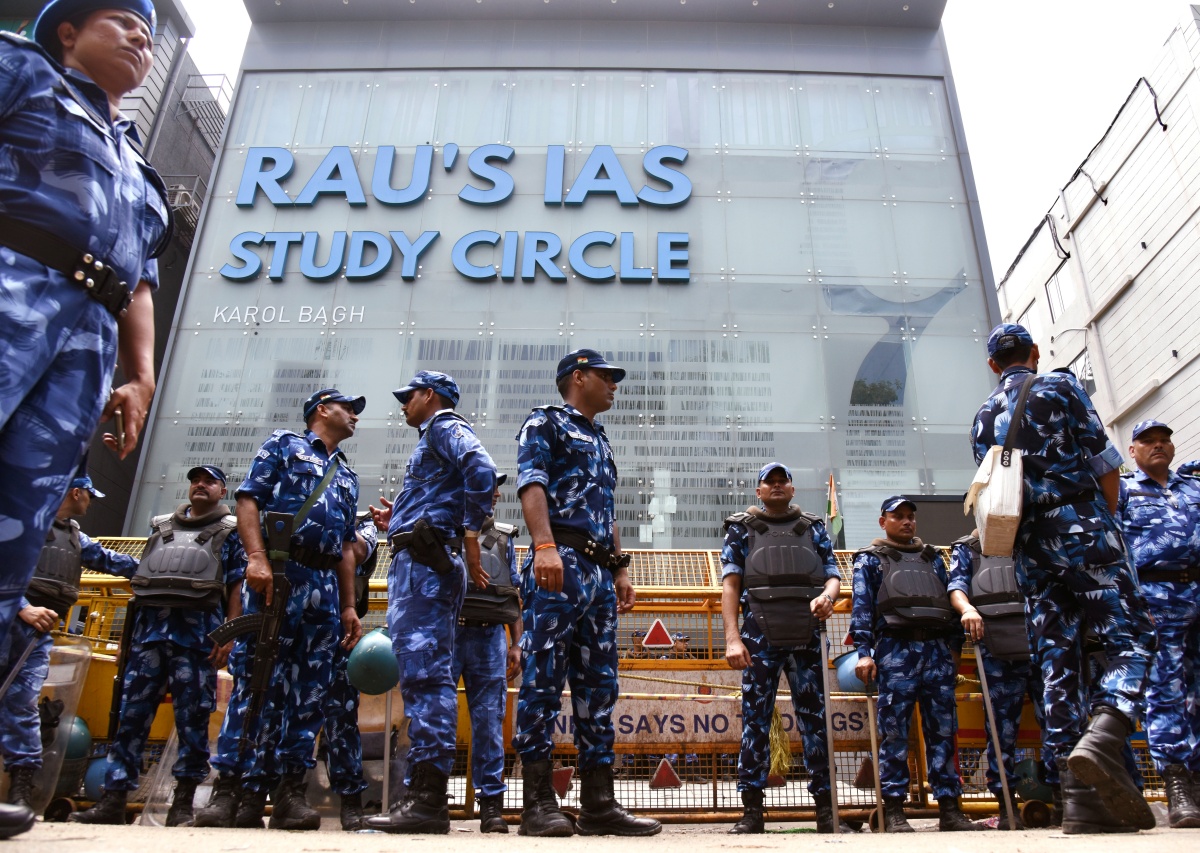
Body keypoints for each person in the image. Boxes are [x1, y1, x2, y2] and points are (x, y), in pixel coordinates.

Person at [0, 2, 171, 715]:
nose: (141, 36)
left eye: (149, 32)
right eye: (123, 20)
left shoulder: (140, 166)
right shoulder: (21, 70)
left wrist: (140, 372)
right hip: (14, 284)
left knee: (16, 536)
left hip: (87, 338)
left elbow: (139, 281)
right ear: (68, 30)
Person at [971, 324, 1157, 834]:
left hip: (1028, 549)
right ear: (1034, 353)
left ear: (993, 365)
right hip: (1083, 528)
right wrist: (1107, 525)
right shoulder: (1061, 386)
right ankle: (1104, 737)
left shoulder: (982, 418)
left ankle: (1079, 802)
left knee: (1057, 661)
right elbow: (1104, 461)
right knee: (1134, 636)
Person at [194, 389, 364, 831]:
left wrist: (348, 605)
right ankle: (231, 788)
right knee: (256, 680)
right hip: (279, 575)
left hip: (324, 587)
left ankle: (289, 790)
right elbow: (248, 500)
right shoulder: (284, 445)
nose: (355, 417)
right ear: (322, 410)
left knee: (309, 693)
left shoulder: (346, 476)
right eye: (350, 408)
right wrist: (255, 557)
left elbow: (347, 547)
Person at [511, 348, 660, 838]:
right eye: (606, 376)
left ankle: (599, 802)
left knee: (599, 687)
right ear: (578, 377)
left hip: (597, 571)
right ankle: (537, 803)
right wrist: (545, 545)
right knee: (543, 680)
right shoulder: (545, 422)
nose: (614, 385)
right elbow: (531, 483)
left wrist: (620, 569)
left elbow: (608, 510)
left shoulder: (600, 439)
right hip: (561, 562)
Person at [71, 466, 245, 826]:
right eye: (195, 479)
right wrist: (126, 641)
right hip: (149, 637)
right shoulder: (161, 527)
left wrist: (229, 634)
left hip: (198, 640)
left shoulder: (231, 534)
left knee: (193, 721)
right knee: (131, 719)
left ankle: (183, 801)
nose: (200, 485)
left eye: (209, 481)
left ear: (222, 490)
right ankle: (114, 798)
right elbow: (144, 581)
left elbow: (235, 586)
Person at [365, 371, 496, 834]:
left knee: (425, 674)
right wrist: (397, 518)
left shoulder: (444, 426)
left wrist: (469, 531)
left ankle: (427, 799)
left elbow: (482, 469)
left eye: (409, 396)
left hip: (426, 565)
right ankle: (425, 796)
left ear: (430, 396)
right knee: (421, 671)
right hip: (418, 559)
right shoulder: (434, 437)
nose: (403, 404)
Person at [720, 462, 847, 834]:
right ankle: (752, 813)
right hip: (758, 633)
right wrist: (732, 638)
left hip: (807, 632)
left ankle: (826, 812)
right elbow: (730, 586)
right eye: (769, 482)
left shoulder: (813, 527)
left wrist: (829, 598)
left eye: (783, 481)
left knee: (816, 723)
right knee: (755, 722)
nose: (776, 486)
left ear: (792, 488)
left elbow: (833, 575)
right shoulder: (740, 528)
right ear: (758, 491)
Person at [1, 476, 136, 821]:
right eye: (90, 495)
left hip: (36, 634)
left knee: (23, 704)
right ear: (76, 492)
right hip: (11, 618)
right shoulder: (20, 519)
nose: (92, 502)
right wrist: (22, 607)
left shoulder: (75, 536)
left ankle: (20, 789)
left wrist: (159, 570)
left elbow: (111, 561)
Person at [850, 496, 982, 833]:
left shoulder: (933, 557)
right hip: (896, 650)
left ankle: (950, 809)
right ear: (883, 522)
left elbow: (950, 603)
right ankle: (894, 808)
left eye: (911, 517)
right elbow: (862, 609)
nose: (907, 522)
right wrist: (864, 652)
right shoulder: (869, 559)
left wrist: (954, 650)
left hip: (936, 650)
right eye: (899, 517)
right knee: (894, 733)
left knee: (943, 732)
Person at [1116, 419, 1200, 828]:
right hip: (1156, 597)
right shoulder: (1124, 491)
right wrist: (1131, 603)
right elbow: (1115, 552)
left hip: (1197, 590)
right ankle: (1177, 781)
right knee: (1165, 690)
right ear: (1132, 450)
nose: (1158, 446)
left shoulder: (1193, 488)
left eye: (1164, 440)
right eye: (1147, 441)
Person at [948, 528, 1040, 830]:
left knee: (1061, 721)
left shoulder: (1032, 539)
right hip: (999, 646)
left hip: (1044, 641)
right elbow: (956, 587)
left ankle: (1067, 798)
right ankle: (1006, 805)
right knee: (1002, 731)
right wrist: (968, 609)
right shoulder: (969, 548)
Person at [452, 473, 523, 833]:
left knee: (489, 722)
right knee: (434, 716)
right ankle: (426, 794)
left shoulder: (503, 538)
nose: (495, 493)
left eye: (496, 488)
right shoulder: (443, 529)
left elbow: (513, 593)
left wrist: (516, 643)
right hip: (448, 634)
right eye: (487, 486)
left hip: (489, 639)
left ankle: (491, 804)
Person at [320, 510, 379, 831]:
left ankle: (351, 801)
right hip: (296, 624)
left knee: (341, 720)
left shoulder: (362, 525)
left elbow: (355, 551)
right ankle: (280, 791)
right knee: (281, 715)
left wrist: (336, 524)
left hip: (339, 635)